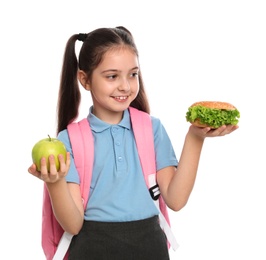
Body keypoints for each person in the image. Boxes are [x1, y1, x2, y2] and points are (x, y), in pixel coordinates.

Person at [28, 26, 238, 260]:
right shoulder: (69, 139)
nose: (125, 86)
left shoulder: (152, 128)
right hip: (92, 248)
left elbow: (176, 200)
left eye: (133, 74)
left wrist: (195, 138)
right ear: (85, 79)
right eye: (112, 76)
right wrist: (54, 183)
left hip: (150, 246)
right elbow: (74, 225)